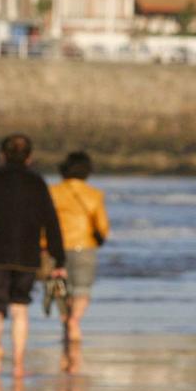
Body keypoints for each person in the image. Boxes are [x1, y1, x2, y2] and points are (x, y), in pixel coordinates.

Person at [0, 133, 66, 377]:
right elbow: (50, 220)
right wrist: (58, 257)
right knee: (20, 306)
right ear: (30, 157)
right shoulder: (37, 181)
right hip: (27, 253)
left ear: (2, 155)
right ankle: (19, 363)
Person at [49, 150, 110, 351]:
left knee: (58, 286)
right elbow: (102, 227)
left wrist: (42, 243)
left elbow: (44, 223)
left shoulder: (53, 191)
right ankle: (75, 321)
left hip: (55, 247)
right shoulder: (94, 194)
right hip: (85, 245)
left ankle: (66, 320)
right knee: (82, 289)